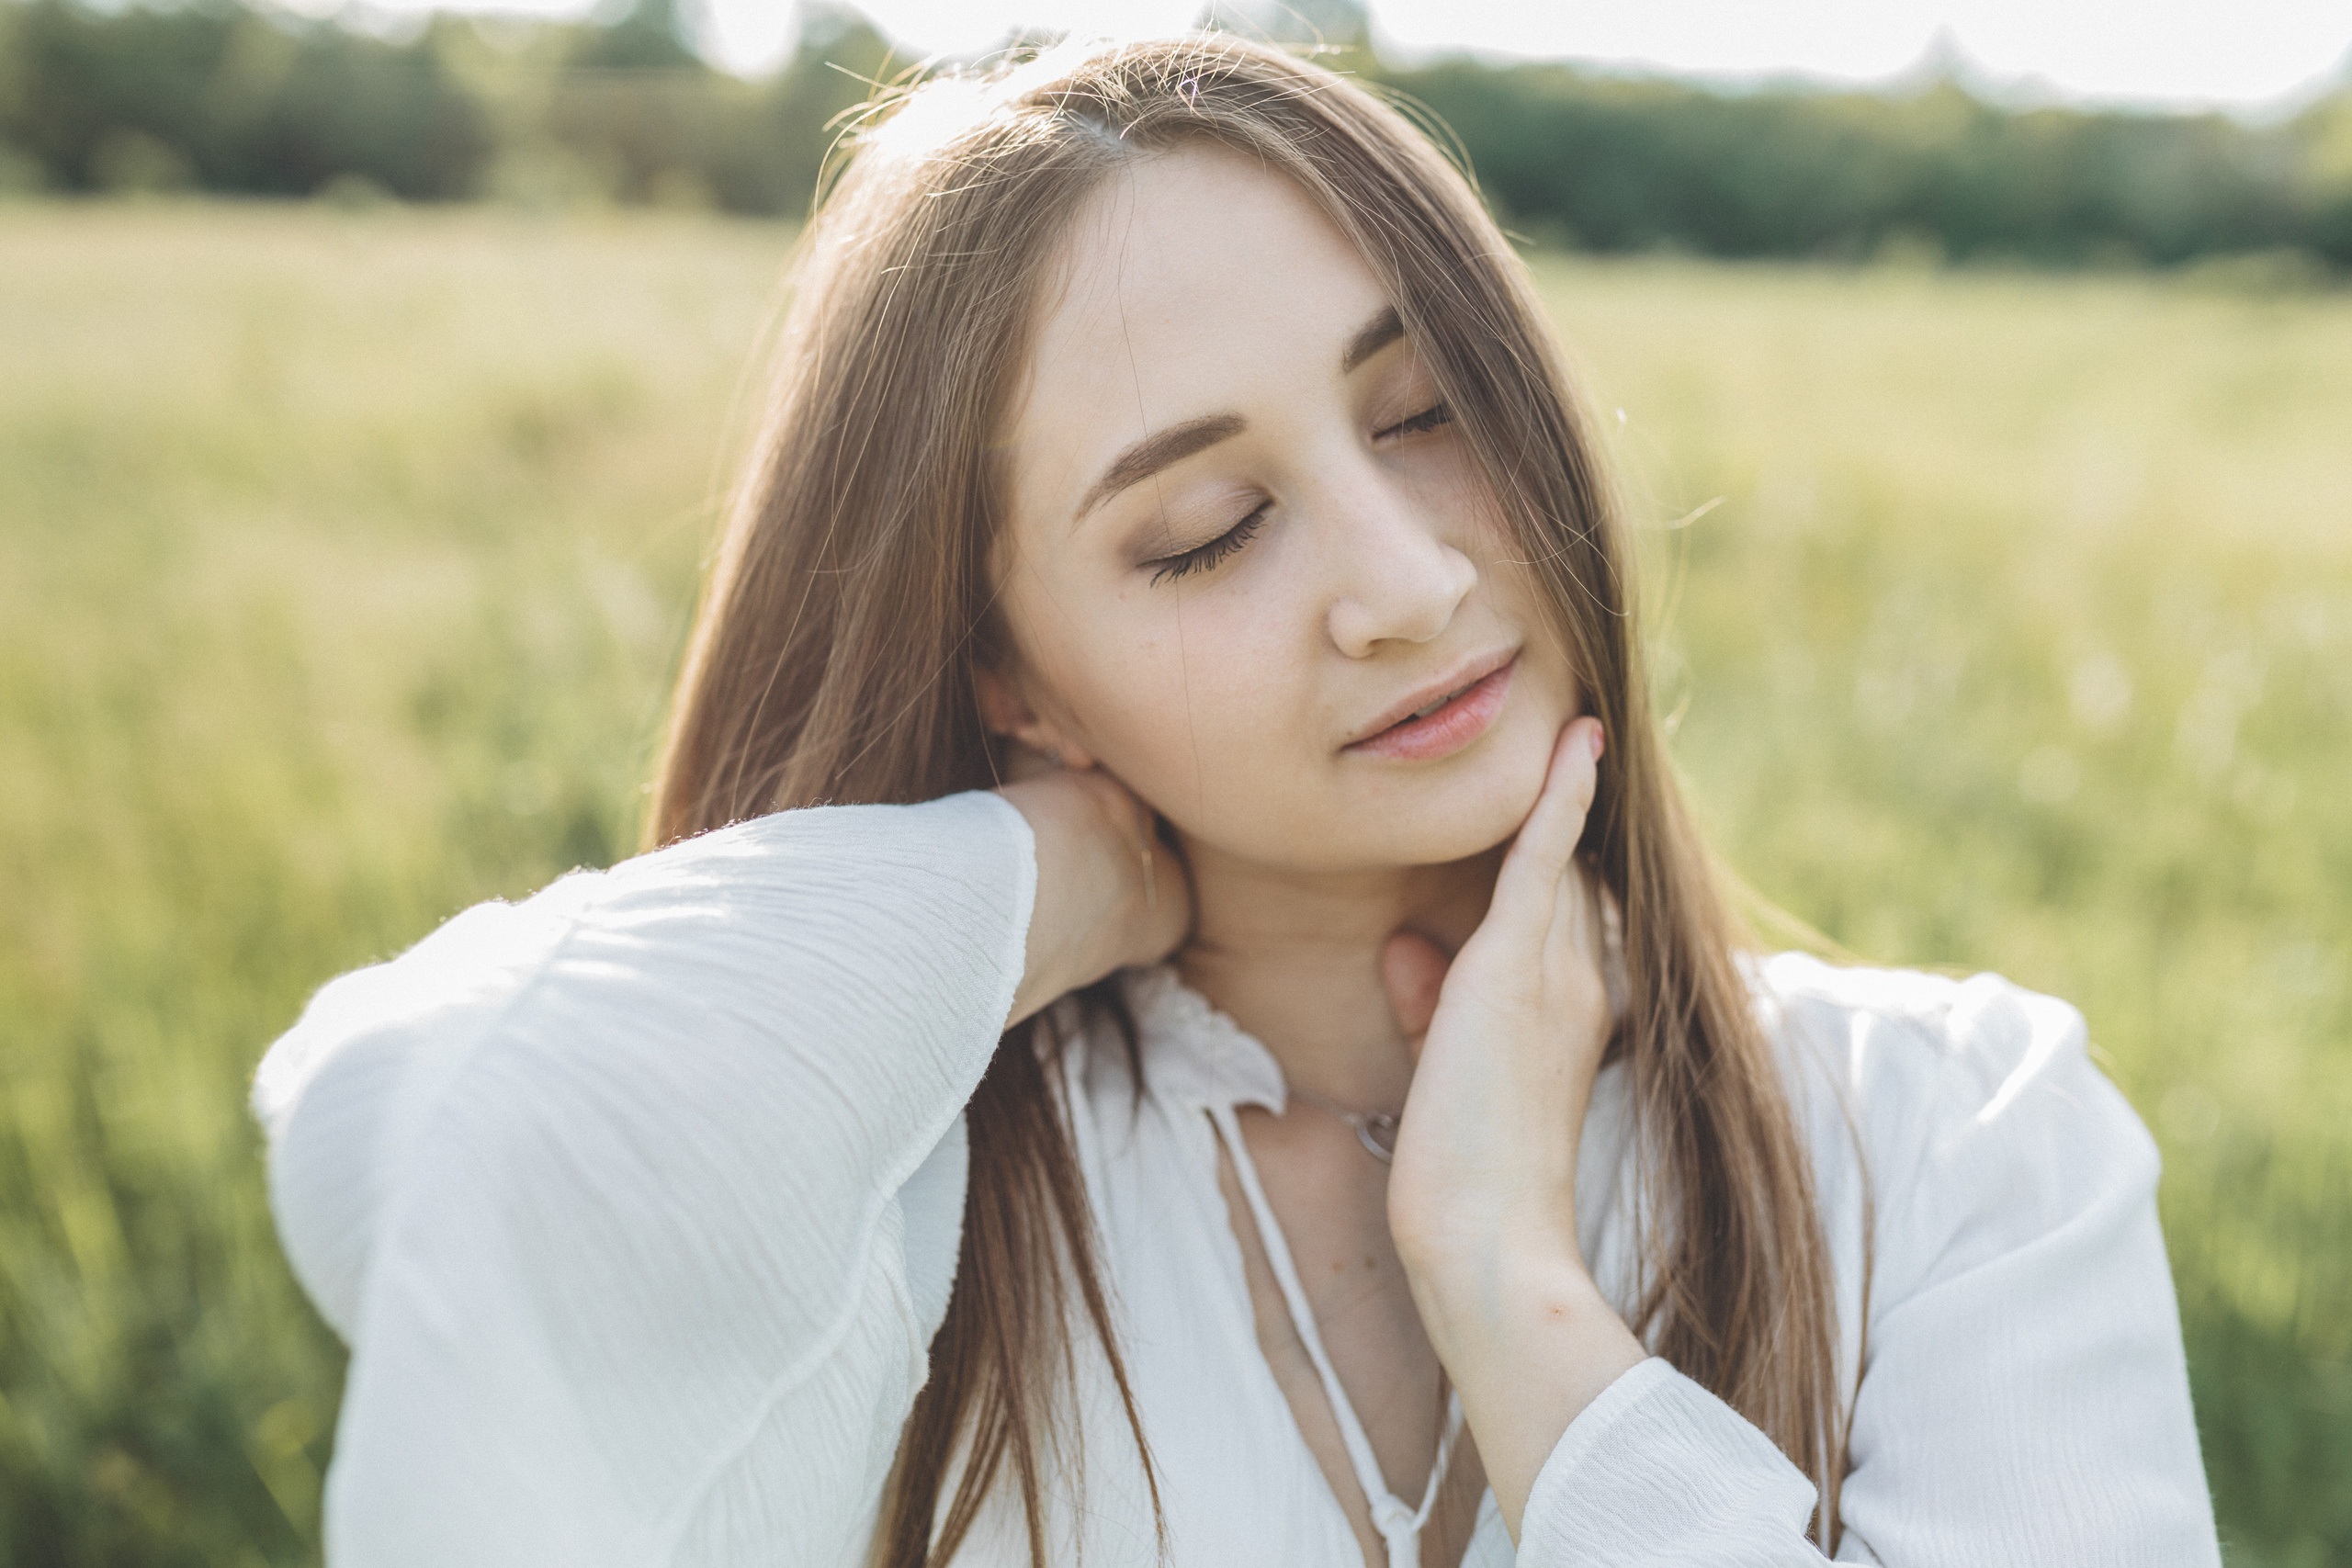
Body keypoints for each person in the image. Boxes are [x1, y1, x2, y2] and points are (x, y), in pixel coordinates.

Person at [250, 34, 2221, 1568]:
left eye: (1422, 410)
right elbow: (434, 1129)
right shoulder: (914, 1201)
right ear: (1008, 669)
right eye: (1202, 534)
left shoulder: (1955, 1138)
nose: (1408, 583)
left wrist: (1507, 1284)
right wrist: (1057, 875)